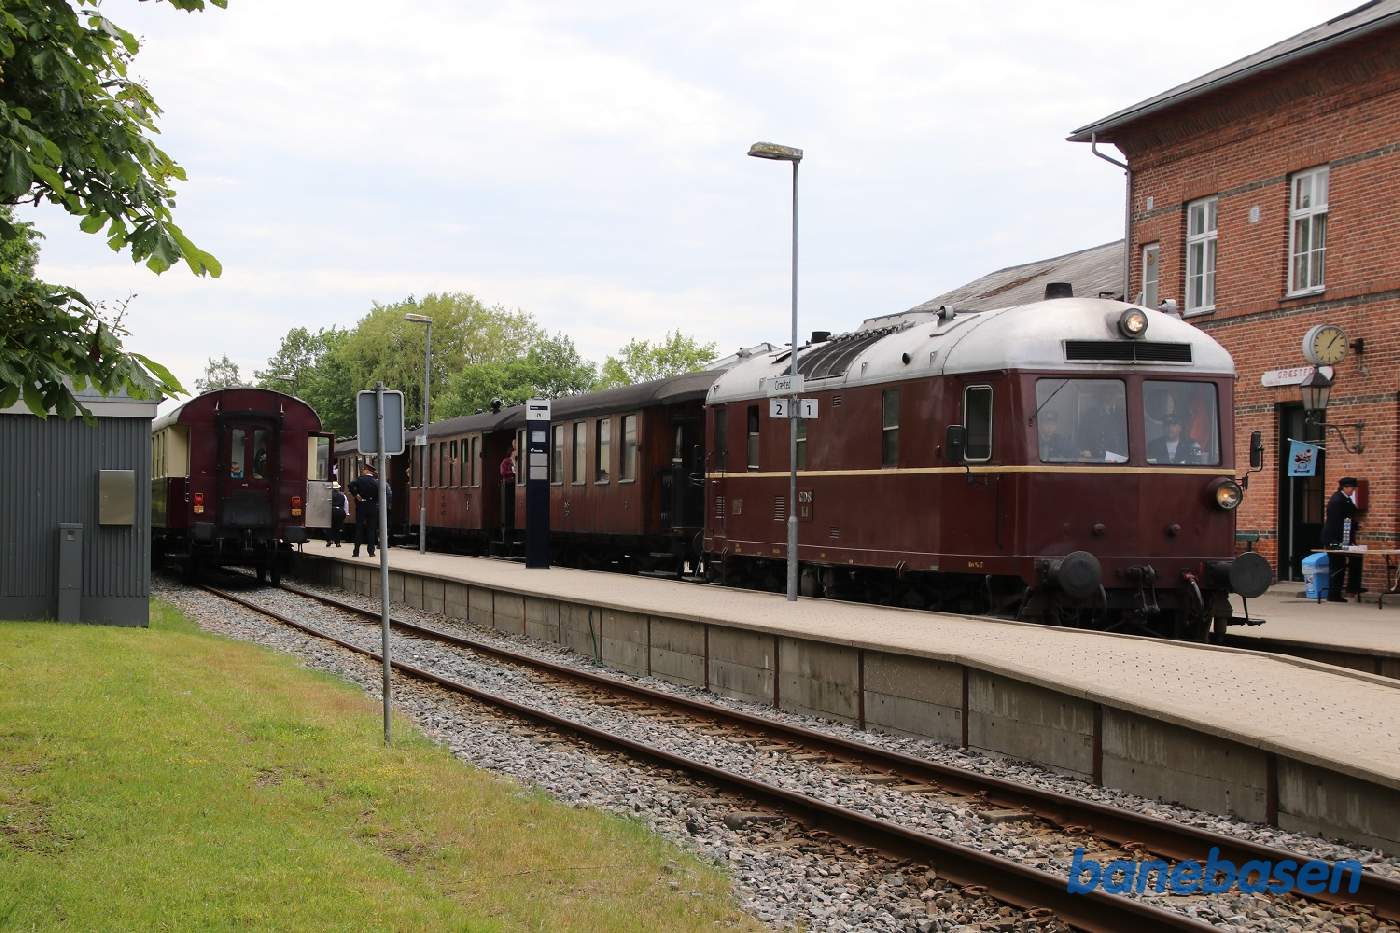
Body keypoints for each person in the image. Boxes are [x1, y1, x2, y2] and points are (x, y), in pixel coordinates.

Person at [1322, 476, 1363, 603]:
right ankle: (1334, 594)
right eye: (1352, 488)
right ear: (1345, 487)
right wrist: (1343, 542)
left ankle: (1353, 587)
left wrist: (1351, 536)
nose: (1353, 491)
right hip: (1334, 539)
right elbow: (1337, 523)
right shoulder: (1337, 500)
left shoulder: (1346, 499)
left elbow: (1349, 517)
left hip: (1343, 537)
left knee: (1356, 556)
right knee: (1337, 565)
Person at [349, 463, 381, 557]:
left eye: (364, 470)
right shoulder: (376, 482)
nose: (362, 471)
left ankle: (356, 551)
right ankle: (371, 552)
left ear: (366, 471)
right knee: (371, 529)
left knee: (359, 528)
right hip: (372, 507)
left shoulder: (360, 479)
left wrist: (356, 495)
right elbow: (379, 494)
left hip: (361, 506)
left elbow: (350, 485)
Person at [499, 439, 518, 532]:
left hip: (516, 484)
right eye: (515, 452)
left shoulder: (518, 461)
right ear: (511, 453)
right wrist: (513, 473)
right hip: (509, 484)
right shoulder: (506, 461)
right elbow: (503, 472)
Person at [326, 481, 347, 548]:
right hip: (340, 511)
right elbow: (346, 505)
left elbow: (325, 504)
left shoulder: (328, 495)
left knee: (329, 527)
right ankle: (338, 542)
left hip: (331, 511)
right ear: (338, 488)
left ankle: (329, 540)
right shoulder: (343, 496)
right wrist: (345, 513)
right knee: (338, 527)